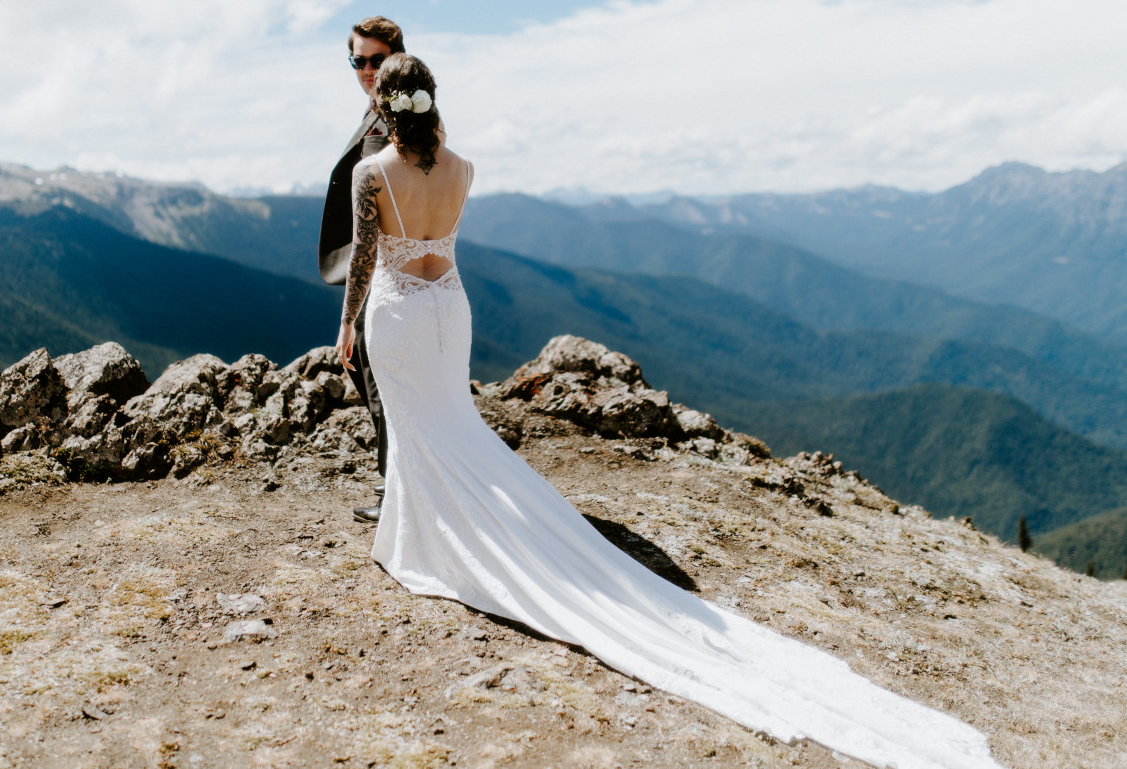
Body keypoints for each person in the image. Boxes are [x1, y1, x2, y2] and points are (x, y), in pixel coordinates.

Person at [336, 53, 1004, 769]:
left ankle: (422, 536)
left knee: (421, 429)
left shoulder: (370, 175)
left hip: (401, 316)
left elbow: (367, 262)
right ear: (434, 101)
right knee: (455, 426)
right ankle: (444, 527)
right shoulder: (463, 168)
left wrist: (347, 328)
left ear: (385, 105)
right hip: (451, 310)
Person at [319, 16, 409, 524]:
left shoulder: (397, 119)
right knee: (378, 380)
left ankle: (395, 490)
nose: (368, 69)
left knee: (378, 381)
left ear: (396, 56)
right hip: (382, 272)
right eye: (359, 60)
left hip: (380, 274)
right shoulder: (383, 111)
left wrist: (352, 311)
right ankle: (400, 482)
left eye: (377, 59)